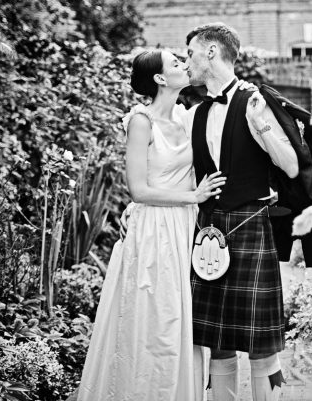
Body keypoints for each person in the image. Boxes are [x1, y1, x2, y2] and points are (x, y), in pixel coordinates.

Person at [76, 49, 227, 401]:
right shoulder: (141, 121)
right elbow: (139, 190)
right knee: (152, 318)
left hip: (185, 228)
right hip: (153, 230)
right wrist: (193, 197)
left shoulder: (187, 116)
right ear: (160, 78)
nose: (183, 65)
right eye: (175, 63)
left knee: (180, 318)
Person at [185, 23, 299, 401]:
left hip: (250, 224)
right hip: (209, 231)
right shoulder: (197, 112)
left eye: (191, 53)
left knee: (262, 346)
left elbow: (291, 166)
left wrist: (261, 125)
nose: (187, 62)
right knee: (217, 342)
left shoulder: (255, 101)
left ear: (212, 52)